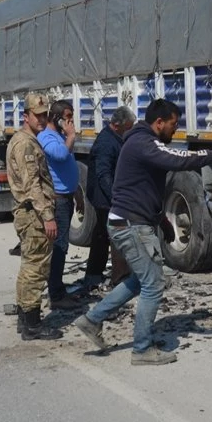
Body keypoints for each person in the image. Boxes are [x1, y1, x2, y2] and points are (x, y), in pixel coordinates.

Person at [73, 98, 212, 365]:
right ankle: (141, 349)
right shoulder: (144, 143)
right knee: (153, 285)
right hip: (131, 225)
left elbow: (142, 189)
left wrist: (161, 221)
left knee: (140, 280)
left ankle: (92, 319)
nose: (175, 131)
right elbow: (179, 159)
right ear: (159, 122)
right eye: (173, 125)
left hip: (131, 221)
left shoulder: (140, 141)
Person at [5, 92, 63, 341]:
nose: (42, 119)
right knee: (36, 267)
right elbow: (33, 186)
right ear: (25, 116)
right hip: (33, 214)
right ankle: (32, 324)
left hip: (29, 213)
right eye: (37, 115)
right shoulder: (26, 144)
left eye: (44, 115)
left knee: (30, 264)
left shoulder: (26, 139)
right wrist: (48, 216)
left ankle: (24, 317)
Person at [81, 105, 136, 291]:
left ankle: (94, 274)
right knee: (117, 234)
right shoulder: (106, 142)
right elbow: (103, 174)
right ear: (117, 125)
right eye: (129, 126)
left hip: (106, 196)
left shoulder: (115, 138)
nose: (130, 130)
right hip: (105, 197)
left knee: (101, 235)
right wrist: (115, 198)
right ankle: (120, 279)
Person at [38, 98, 79, 310]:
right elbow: (61, 155)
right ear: (56, 117)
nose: (71, 122)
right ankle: (56, 294)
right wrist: (71, 136)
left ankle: (58, 288)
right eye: (68, 117)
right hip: (58, 199)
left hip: (67, 196)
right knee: (60, 246)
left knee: (63, 244)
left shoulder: (58, 135)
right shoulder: (46, 137)